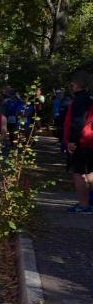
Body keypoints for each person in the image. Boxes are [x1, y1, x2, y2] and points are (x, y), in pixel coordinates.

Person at [64, 70, 93, 213]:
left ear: (77, 84)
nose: (71, 86)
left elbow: (78, 121)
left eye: (72, 84)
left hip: (82, 141)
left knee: (78, 173)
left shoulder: (80, 99)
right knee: (89, 172)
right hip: (90, 140)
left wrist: (72, 141)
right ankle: (89, 202)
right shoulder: (89, 98)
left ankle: (84, 205)